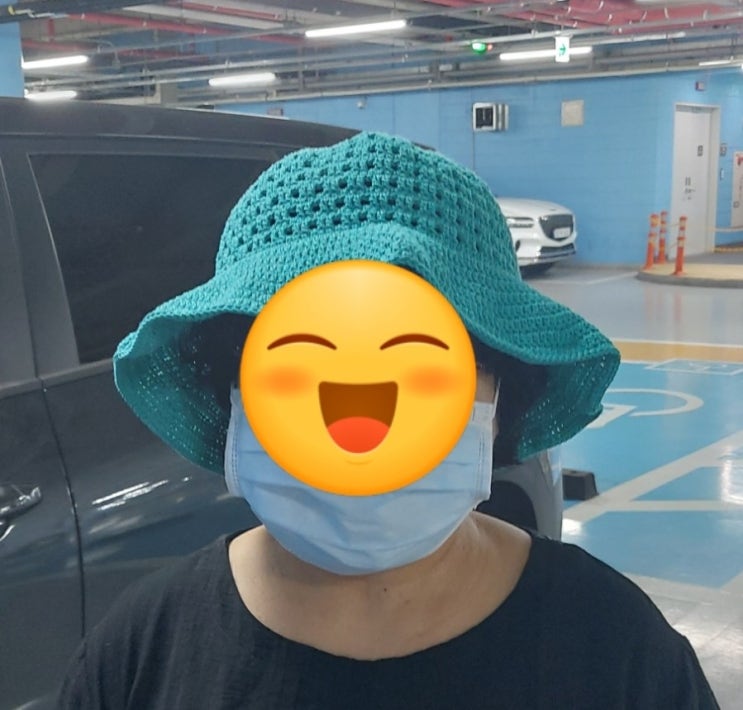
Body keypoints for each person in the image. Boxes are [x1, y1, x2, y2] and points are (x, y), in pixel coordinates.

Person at [57, 132, 719, 709]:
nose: (359, 418)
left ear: (500, 395)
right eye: (300, 369)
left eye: (420, 370)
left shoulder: (617, 651)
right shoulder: (138, 656)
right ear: (234, 391)